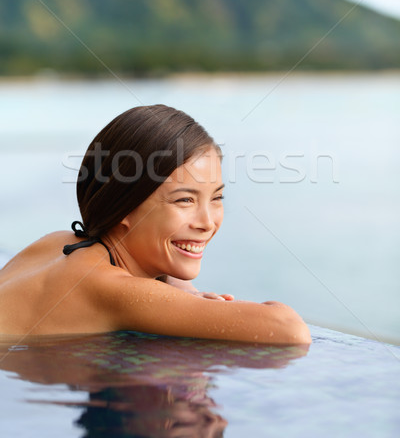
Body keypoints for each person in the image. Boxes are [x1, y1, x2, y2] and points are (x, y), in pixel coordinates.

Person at [0, 105, 311, 344]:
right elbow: (289, 330)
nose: (207, 222)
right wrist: (184, 300)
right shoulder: (111, 290)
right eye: (184, 201)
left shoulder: (58, 243)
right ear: (125, 206)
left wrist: (182, 290)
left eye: (216, 198)